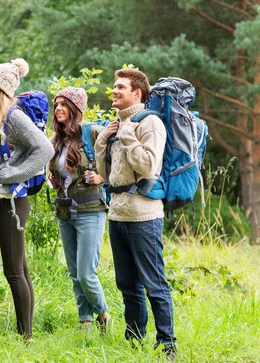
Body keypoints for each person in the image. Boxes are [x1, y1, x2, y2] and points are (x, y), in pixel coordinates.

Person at [94, 69, 177, 357]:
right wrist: (103, 140)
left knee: (154, 283)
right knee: (127, 284)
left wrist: (127, 134)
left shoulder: (150, 123)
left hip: (144, 216)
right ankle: (134, 343)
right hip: (117, 215)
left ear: (137, 93)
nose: (114, 91)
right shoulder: (119, 125)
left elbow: (148, 166)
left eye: (120, 87)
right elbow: (106, 175)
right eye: (114, 86)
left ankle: (167, 345)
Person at [0, 58, 54, 340]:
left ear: (1, 87)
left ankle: (26, 337)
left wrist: (12, 174)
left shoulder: (14, 117)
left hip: (12, 200)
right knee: (19, 267)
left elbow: (44, 149)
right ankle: (26, 333)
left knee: (13, 270)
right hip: (4, 200)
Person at [48, 87, 110, 332]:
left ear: (77, 109)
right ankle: (84, 320)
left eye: (64, 104)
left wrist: (102, 176)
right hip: (65, 211)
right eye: (57, 104)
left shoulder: (93, 132)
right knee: (74, 273)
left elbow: (119, 159)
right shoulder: (58, 139)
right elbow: (63, 173)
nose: (59, 108)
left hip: (90, 210)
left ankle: (103, 314)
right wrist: (54, 179)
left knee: (86, 273)